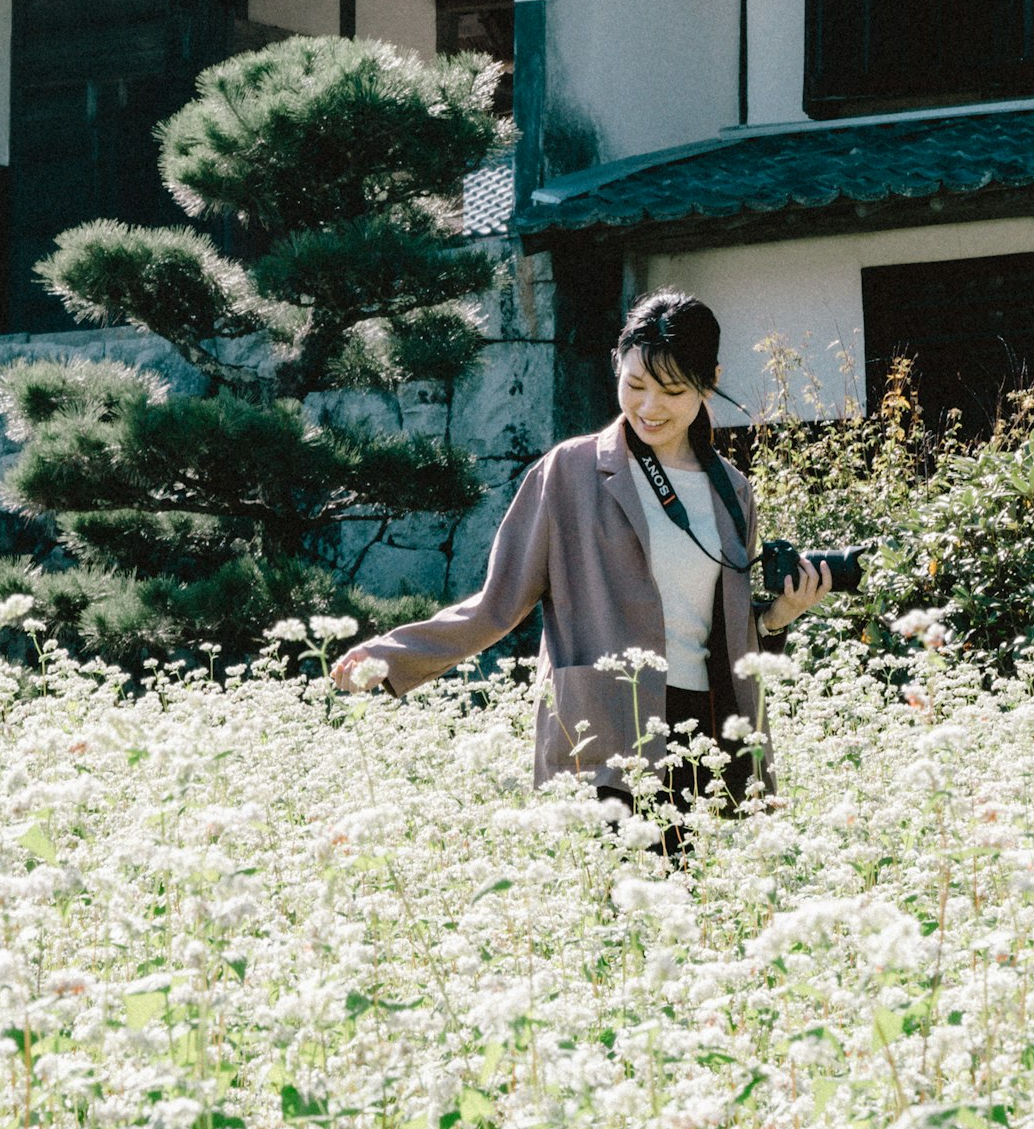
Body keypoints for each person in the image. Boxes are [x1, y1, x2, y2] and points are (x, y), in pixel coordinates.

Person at [333, 289, 830, 843]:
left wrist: (777, 618)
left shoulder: (732, 490)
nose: (648, 407)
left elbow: (724, 630)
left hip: (708, 738)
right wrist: (389, 657)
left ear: (708, 381)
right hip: (603, 731)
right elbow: (497, 604)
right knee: (614, 917)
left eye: (672, 391)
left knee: (693, 921)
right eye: (635, 385)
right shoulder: (568, 471)